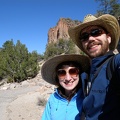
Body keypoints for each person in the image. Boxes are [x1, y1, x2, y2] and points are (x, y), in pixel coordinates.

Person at [68, 14, 120, 120]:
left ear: (108, 38)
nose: (90, 38)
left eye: (96, 32)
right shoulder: (85, 73)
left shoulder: (114, 64)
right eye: (84, 36)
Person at [41, 54, 90, 120]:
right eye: (62, 72)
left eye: (73, 71)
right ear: (57, 77)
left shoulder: (86, 98)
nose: (68, 78)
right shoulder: (53, 98)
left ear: (79, 74)